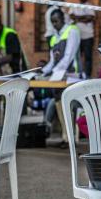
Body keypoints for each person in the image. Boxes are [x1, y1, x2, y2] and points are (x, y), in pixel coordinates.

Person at [41, 8, 81, 147]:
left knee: (69, 106)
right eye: (52, 22)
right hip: (58, 77)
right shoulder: (54, 37)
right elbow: (53, 61)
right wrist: (43, 71)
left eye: (57, 21)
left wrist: (55, 72)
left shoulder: (72, 30)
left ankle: (72, 138)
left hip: (71, 75)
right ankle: (65, 137)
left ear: (63, 19)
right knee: (59, 105)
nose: (55, 24)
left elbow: (69, 56)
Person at [69, 0, 95, 77]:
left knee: (88, 57)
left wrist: (77, 18)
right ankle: (77, 74)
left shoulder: (89, 6)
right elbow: (71, 16)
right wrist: (83, 18)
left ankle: (88, 75)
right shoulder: (74, 6)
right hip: (76, 36)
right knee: (76, 57)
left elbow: (90, 18)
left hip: (88, 36)